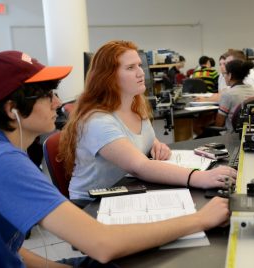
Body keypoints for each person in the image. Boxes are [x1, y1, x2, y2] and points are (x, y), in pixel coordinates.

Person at [0, 50, 232, 267]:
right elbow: (102, 243)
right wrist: (200, 219)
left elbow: (5, 250)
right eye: (47, 95)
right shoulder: (1, 163)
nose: (57, 103)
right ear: (12, 109)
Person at [58, 40, 237, 207]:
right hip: (93, 203)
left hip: (127, 187)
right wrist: (200, 177)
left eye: (139, 65)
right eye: (130, 68)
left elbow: (137, 141)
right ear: (108, 77)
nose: (141, 72)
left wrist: (156, 145)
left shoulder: (135, 105)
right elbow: (140, 166)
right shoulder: (97, 121)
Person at [215, 59, 254, 132]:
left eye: (225, 73)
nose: (224, 76)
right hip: (248, 134)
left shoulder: (228, 95)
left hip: (230, 137)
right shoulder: (252, 90)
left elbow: (219, 124)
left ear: (230, 75)